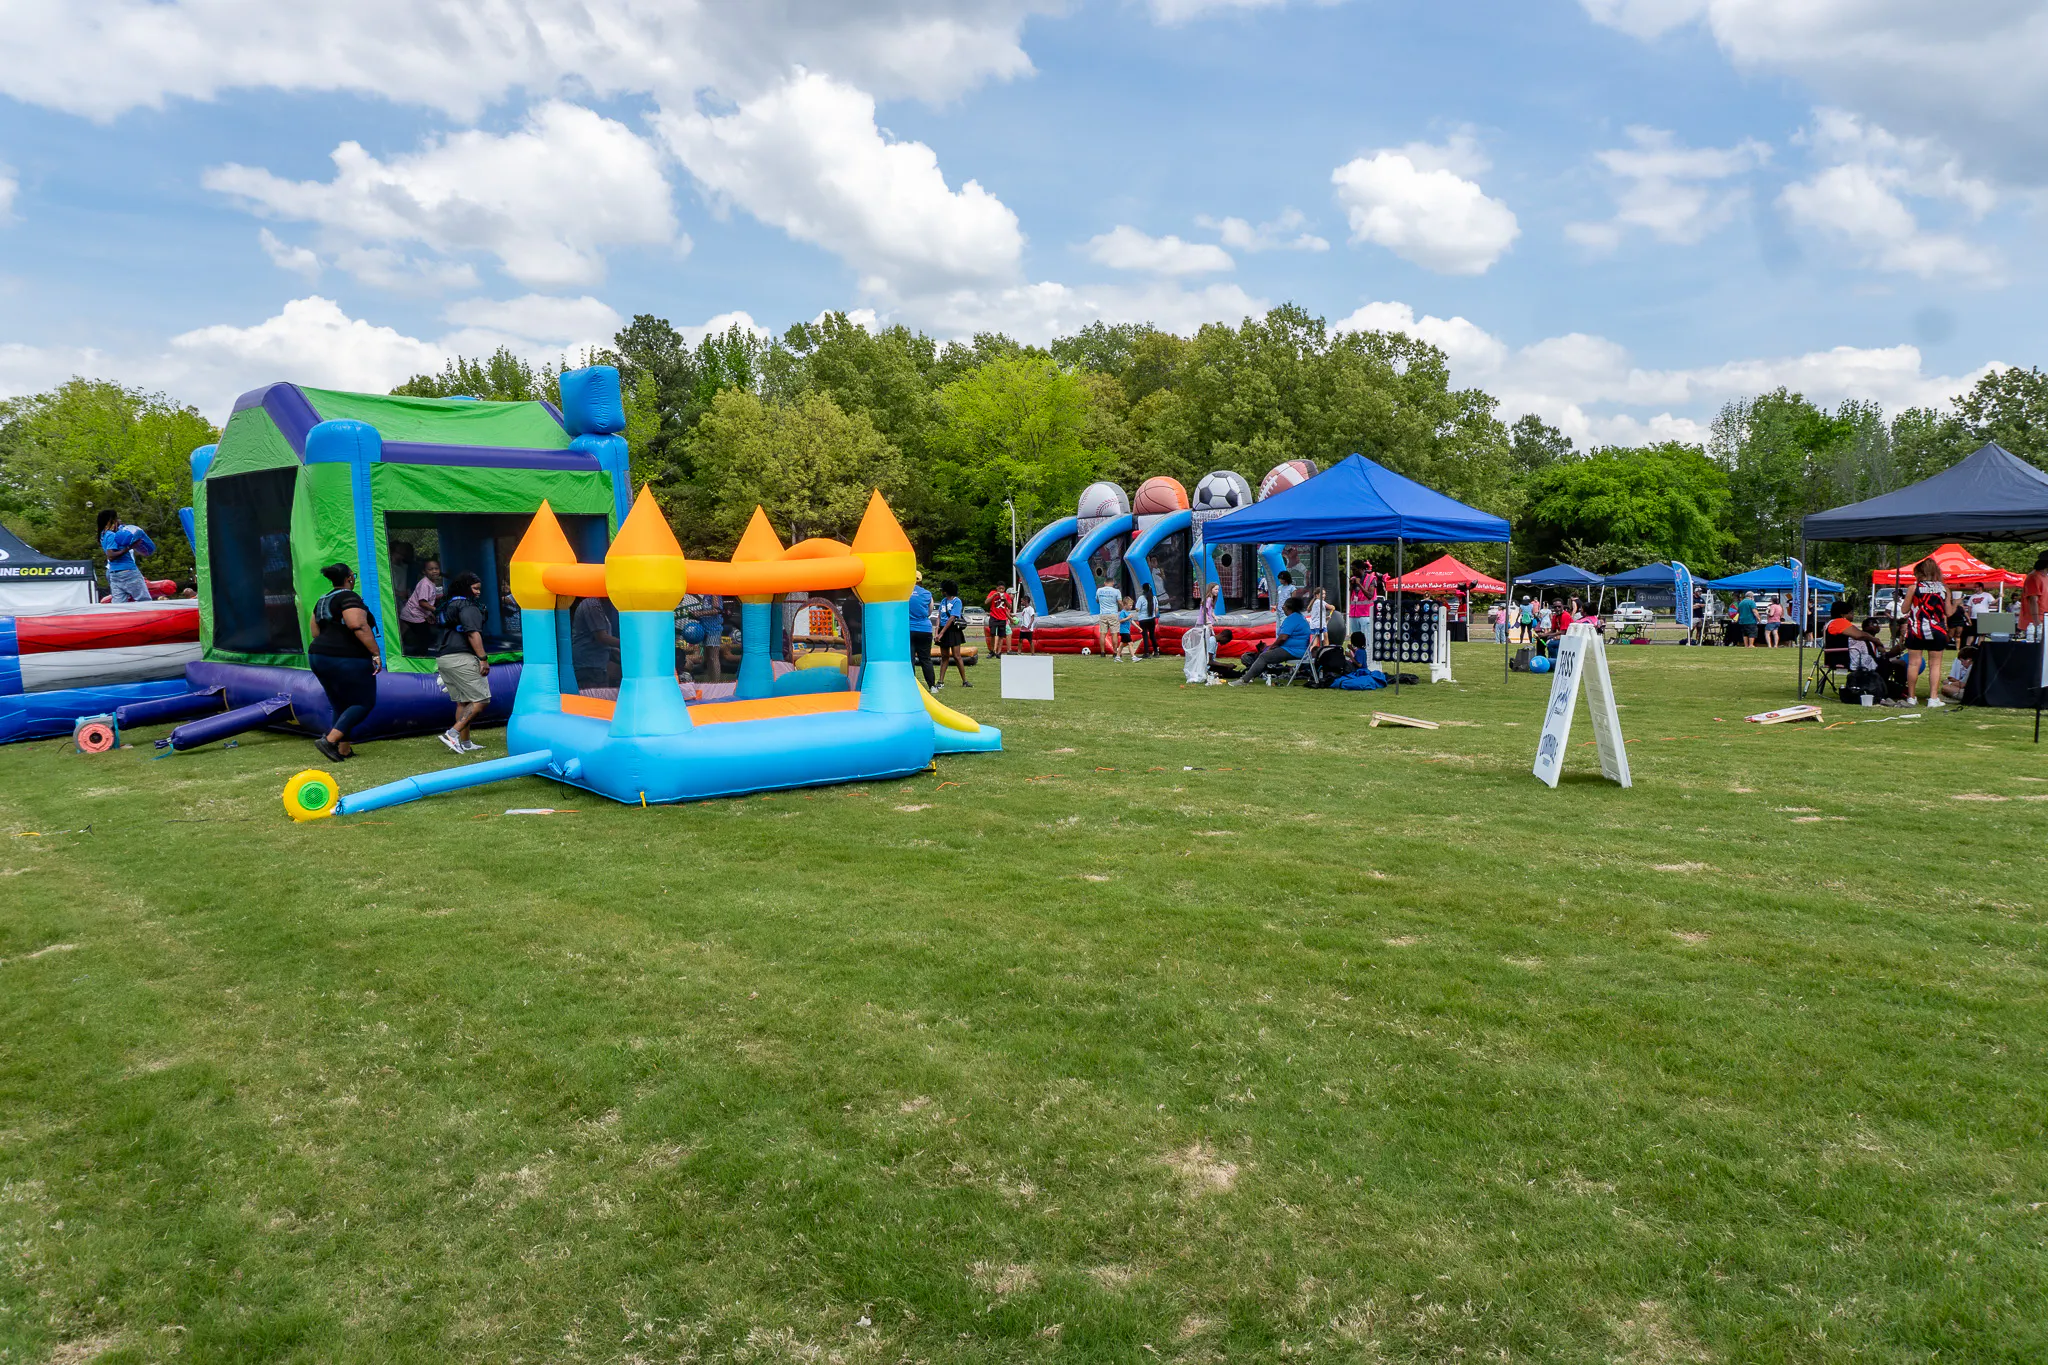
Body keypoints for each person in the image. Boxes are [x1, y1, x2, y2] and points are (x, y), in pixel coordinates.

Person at [306, 562, 382, 763]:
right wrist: (375, 653)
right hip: (346, 657)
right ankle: (329, 741)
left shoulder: (322, 600)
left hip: (318, 655)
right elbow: (357, 624)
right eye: (353, 575)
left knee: (340, 703)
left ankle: (343, 749)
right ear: (349, 578)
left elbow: (315, 631)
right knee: (364, 702)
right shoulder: (349, 597)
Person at [433, 571, 492, 753]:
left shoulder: (449, 605)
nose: (478, 592)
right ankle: (452, 734)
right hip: (461, 658)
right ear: (466, 588)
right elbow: (472, 633)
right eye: (474, 588)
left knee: (463, 702)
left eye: (479, 589)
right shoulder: (468, 606)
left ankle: (465, 743)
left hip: (444, 658)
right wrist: (483, 659)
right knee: (481, 699)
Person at [1902, 557, 1951, 706]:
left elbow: (1904, 609)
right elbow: (1948, 612)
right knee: (1935, 665)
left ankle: (1911, 697)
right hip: (1937, 629)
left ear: (1919, 573)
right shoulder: (1944, 588)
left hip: (1916, 630)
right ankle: (1933, 698)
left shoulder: (1914, 588)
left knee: (1913, 664)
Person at [1232, 595, 1312, 685]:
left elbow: (1283, 637)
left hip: (1293, 650)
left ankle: (1244, 680)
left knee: (1264, 656)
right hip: (1298, 649)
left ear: (1288, 608)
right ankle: (1251, 676)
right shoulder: (1300, 617)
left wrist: (1272, 647)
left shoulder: (1291, 619)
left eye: (1284, 606)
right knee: (1266, 654)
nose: (1282, 608)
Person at [96, 509, 157, 603]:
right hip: (128, 571)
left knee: (119, 604)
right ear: (110, 521)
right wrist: (130, 547)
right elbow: (111, 555)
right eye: (116, 518)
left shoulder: (103, 535)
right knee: (144, 600)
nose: (118, 520)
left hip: (114, 574)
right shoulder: (111, 535)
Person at [571, 593, 621, 691]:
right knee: (594, 698)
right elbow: (601, 637)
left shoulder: (598, 606)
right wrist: (628, 644)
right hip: (589, 668)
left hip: (595, 667)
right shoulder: (592, 604)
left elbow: (600, 643)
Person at [397, 556, 444, 655]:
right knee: (424, 637)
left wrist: (429, 614)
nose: (434, 571)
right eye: (430, 569)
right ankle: (419, 657)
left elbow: (428, 599)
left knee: (405, 635)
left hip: (414, 613)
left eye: (436, 569)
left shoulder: (431, 583)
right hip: (413, 614)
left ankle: (411, 652)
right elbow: (422, 603)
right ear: (424, 571)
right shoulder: (425, 584)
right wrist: (435, 610)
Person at [935, 579, 970, 688]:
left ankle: (965, 681)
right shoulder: (943, 601)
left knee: (956, 655)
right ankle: (940, 681)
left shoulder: (957, 601)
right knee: (944, 656)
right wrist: (936, 632)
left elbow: (952, 617)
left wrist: (941, 633)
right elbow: (939, 616)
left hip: (953, 630)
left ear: (946, 591)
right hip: (942, 629)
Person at [909, 573, 937, 688]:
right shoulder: (927, 594)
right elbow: (929, 612)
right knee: (926, 659)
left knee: (910, 659)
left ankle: (911, 685)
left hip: (909, 629)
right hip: (925, 629)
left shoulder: (904, 593)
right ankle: (932, 686)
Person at [2019, 551, 2048, 636]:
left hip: (2044, 620)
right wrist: (2037, 623)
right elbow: (2033, 600)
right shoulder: (2034, 577)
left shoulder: (2045, 577)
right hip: (2034, 624)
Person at [1094, 577, 1122, 655]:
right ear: (1112, 583)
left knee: (1102, 634)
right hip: (1113, 614)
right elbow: (1120, 602)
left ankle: (1102, 652)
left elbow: (1097, 600)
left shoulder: (1099, 590)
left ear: (1105, 583)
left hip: (1103, 614)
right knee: (1114, 633)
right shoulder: (1116, 591)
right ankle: (1115, 652)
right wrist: (1123, 610)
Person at [984, 584, 1012, 658]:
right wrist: (993, 596)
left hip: (1002, 618)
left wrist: (1005, 600)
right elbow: (986, 602)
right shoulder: (992, 593)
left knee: (1001, 636)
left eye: (1003, 589)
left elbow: (1009, 606)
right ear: (997, 588)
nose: (1001, 590)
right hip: (993, 616)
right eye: (1000, 588)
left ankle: (999, 652)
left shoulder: (1006, 595)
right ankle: (992, 651)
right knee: (992, 634)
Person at [1135, 583, 1160, 657]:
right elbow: (1156, 609)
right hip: (1152, 619)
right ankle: (1156, 652)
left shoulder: (1141, 598)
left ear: (1143, 589)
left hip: (1143, 619)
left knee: (1145, 636)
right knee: (1152, 635)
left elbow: (1137, 609)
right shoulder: (1154, 598)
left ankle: (1146, 653)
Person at [1306, 585, 1332, 650]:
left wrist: (1326, 619)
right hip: (1320, 625)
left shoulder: (1315, 602)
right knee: (1326, 640)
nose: (1324, 595)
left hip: (1314, 625)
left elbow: (1318, 616)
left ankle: (1310, 653)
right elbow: (1330, 607)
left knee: (1315, 643)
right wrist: (1333, 607)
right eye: (1322, 594)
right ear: (1317, 595)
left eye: (1324, 594)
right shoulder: (1320, 601)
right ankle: (1326, 652)